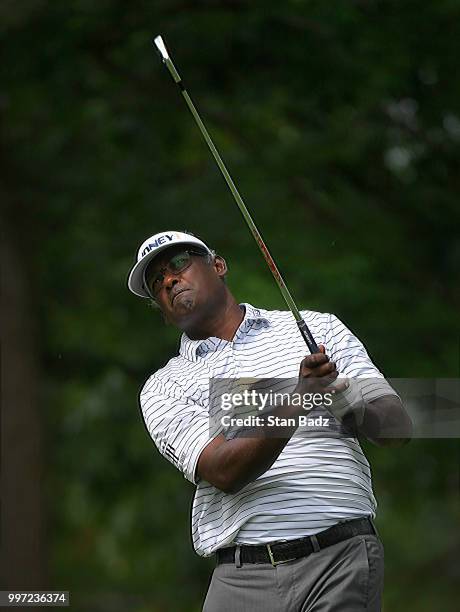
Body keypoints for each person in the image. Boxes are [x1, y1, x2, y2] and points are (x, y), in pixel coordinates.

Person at [127, 230, 412, 612]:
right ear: (160, 309)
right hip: (241, 577)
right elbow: (225, 472)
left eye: (179, 263)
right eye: (156, 281)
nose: (169, 279)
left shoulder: (316, 328)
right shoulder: (165, 386)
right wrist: (301, 396)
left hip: (339, 558)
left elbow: (395, 429)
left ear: (218, 265)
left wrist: (341, 393)